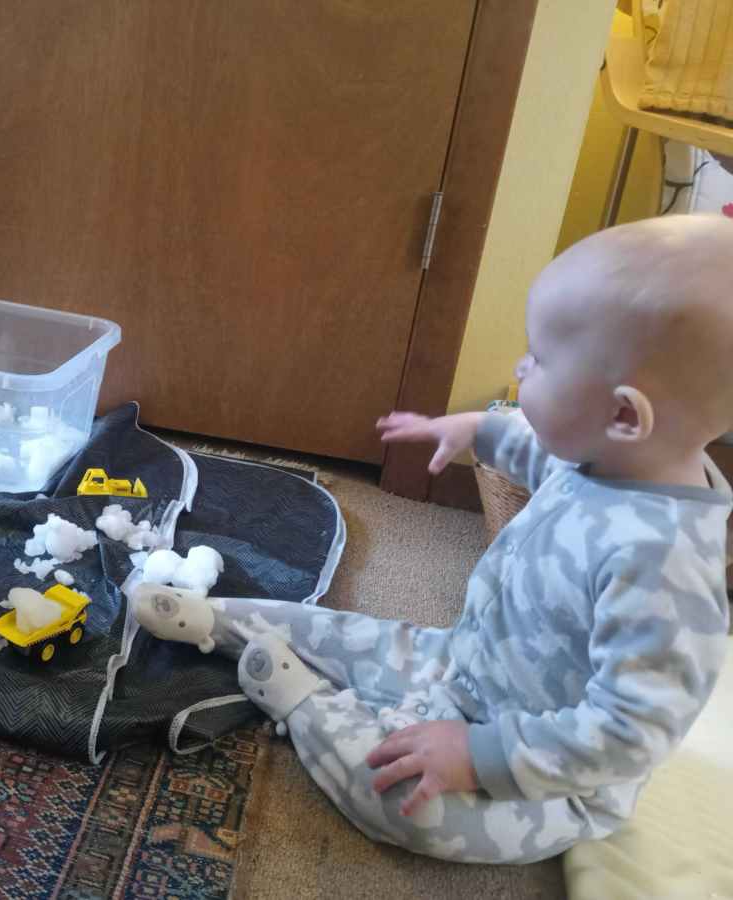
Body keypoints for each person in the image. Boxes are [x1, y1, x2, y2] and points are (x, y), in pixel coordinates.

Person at [134, 214, 733, 863]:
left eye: (542, 360)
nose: (519, 365)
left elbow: (628, 734)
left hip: (546, 771)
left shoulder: (664, 564)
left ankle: (299, 700)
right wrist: (478, 429)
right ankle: (212, 620)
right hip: (462, 661)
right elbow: (543, 455)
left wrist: (478, 757)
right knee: (341, 630)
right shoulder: (611, 454)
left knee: (408, 806)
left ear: (623, 413)